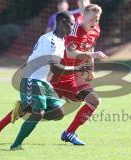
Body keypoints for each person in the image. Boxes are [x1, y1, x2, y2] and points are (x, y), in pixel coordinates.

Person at [0, 11, 91, 149]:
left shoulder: (61, 40)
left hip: (42, 81)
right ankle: (16, 145)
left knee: (59, 113)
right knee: (38, 112)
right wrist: (77, 69)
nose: (74, 27)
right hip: (31, 78)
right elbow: (56, 68)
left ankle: (23, 108)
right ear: (62, 23)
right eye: (72, 24)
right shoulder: (51, 41)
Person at [51, 4, 107, 145]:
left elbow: (91, 46)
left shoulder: (96, 30)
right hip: (59, 75)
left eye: (97, 20)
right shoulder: (74, 29)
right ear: (83, 17)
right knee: (36, 111)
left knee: (94, 100)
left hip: (75, 76)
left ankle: (69, 133)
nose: (95, 23)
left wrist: (91, 68)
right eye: (92, 19)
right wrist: (92, 54)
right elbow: (70, 52)